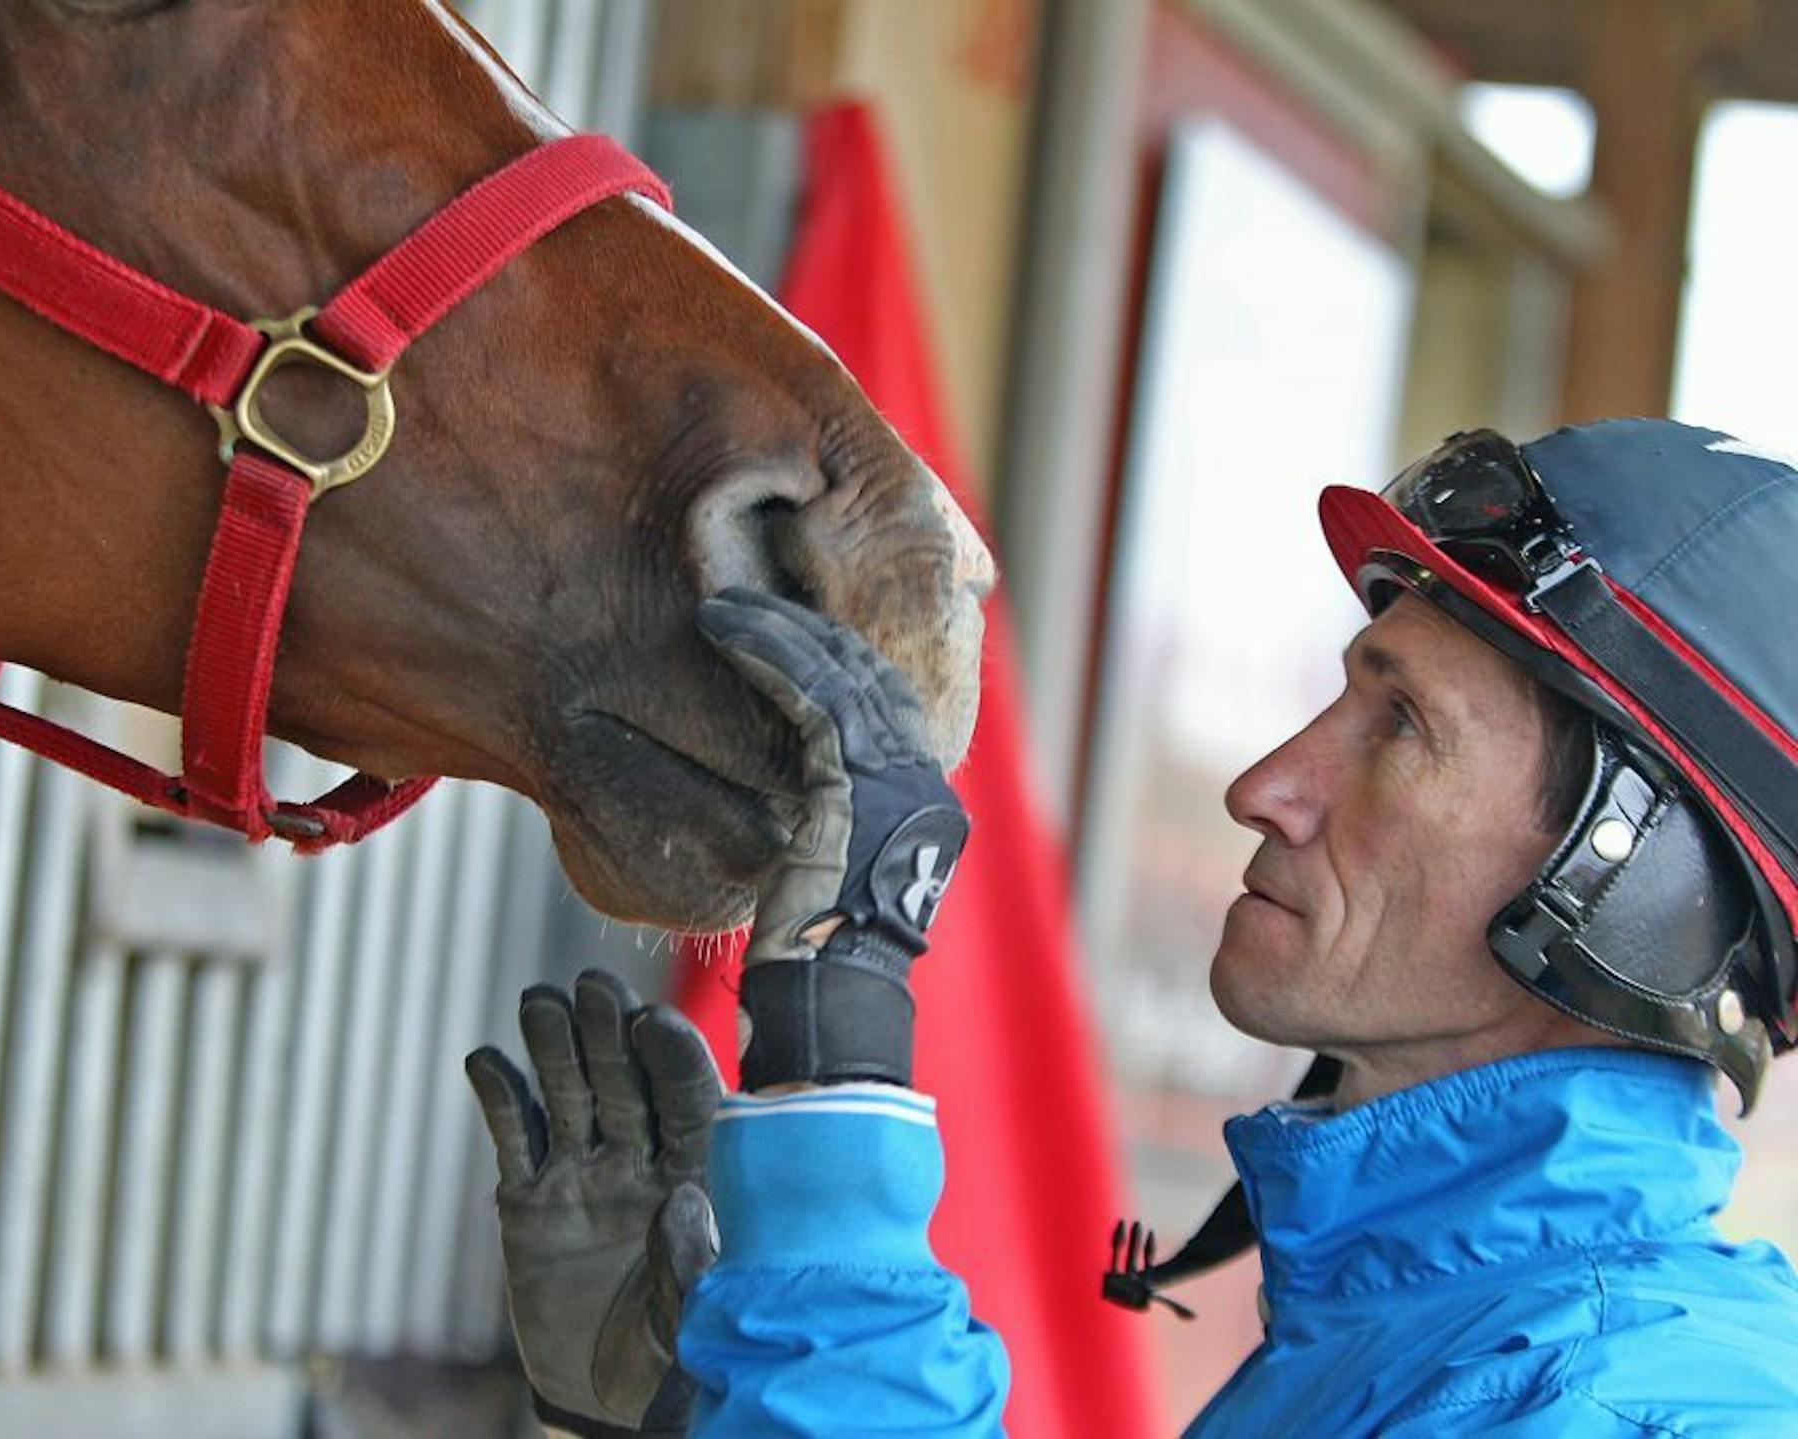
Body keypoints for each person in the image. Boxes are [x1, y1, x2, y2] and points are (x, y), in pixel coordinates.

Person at [465, 419, 1798, 1436]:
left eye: (1401, 727)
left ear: (1629, 887)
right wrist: (701, 1407)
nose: (1265, 787)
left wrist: (831, 1143)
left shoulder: (1644, 1407)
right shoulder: (1422, 1333)